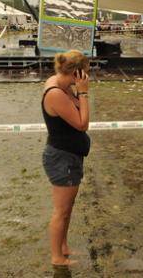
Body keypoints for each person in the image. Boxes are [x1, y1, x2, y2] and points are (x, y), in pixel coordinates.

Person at [41, 50, 90, 266]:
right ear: (75, 73)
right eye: (85, 73)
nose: (87, 77)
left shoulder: (61, 84)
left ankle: (63, 248)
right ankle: (57, 258)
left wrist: (76, 91)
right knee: (61, 211)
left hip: (69, 155)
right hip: (62, 157)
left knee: (67, 208)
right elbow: (82, 123)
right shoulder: (55, 93)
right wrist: (84, 93)